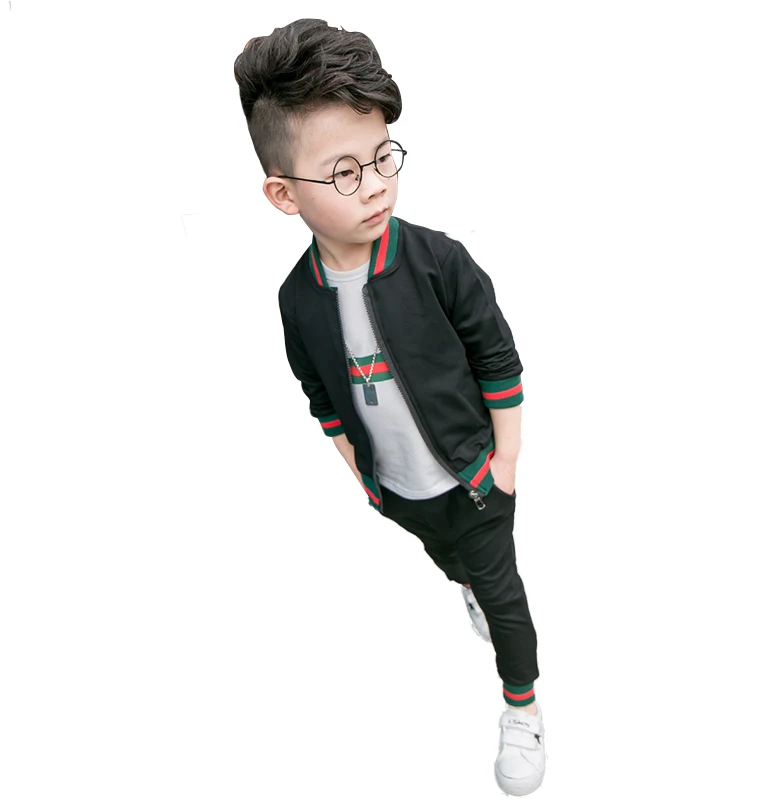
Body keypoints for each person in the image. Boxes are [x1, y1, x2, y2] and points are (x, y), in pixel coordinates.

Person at [234, 18, 545, 796]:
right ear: (283, 194)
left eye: (382, 157)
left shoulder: (438, 262)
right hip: (400, 492)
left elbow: (497, 358)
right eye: (344, 172)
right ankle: (462, 579)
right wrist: (365, 478)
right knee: (448, 561)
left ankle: (522, 705)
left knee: (504, 598)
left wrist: (505, 460)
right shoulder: (297, 300)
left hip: (476, 480)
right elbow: (321, 397)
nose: (375, 184)